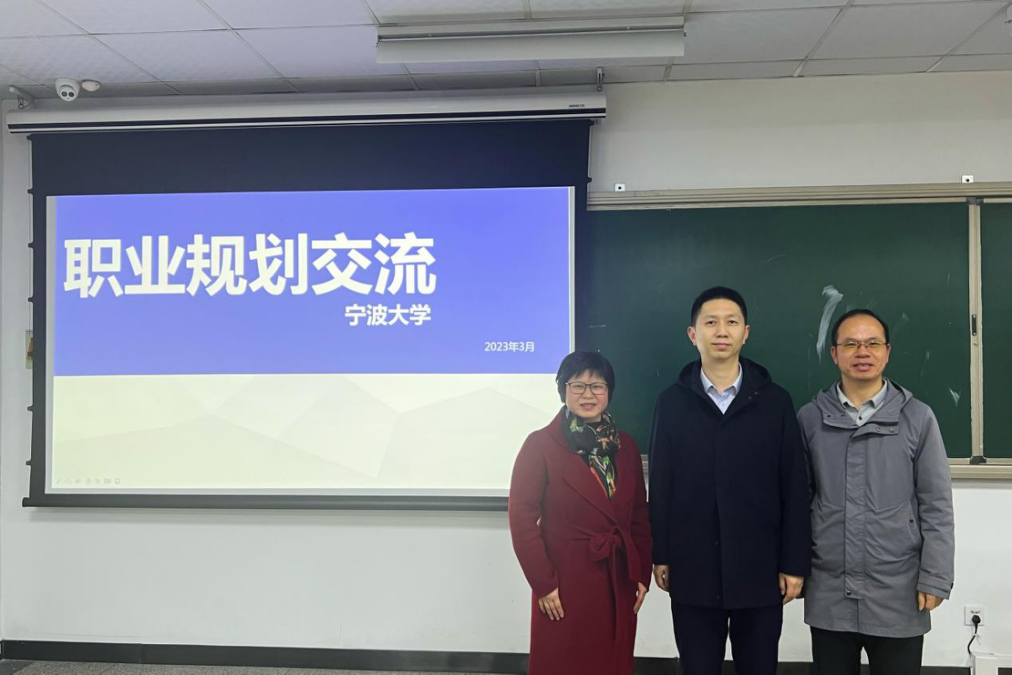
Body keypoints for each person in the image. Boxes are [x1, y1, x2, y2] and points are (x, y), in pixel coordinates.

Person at [649, 286, 811, 675]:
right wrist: (661, 553)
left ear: (745, 332)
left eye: (731, 322)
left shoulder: (775, 402)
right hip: (693, 567)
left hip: (761, 569)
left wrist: (794, 563)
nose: (721, 331)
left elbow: (794, 486)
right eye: (710, 322)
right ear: (693, 334)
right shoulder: (671, 403)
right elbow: (662, 483)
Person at [798, 308, 954, 675]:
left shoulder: (918, 417)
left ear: (887, 351)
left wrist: (935, 576)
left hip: (899, 590)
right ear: (834, 353)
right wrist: (793, 567)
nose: (862, 352)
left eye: (872, 343)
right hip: (830, 588)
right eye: (850, 344)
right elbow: (797, 503)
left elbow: (937, 506)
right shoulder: (810, 418)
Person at [509, 351, 652, 675]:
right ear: (563, 390)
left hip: (618, 576)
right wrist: (544, 583)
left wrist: (642, 571)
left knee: (611, 663)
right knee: (564, 662)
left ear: (609, 391)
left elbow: (638, 515)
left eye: (597, 386)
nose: (588, 395)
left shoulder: (625, 446)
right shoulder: (540, 445)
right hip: (565, 579)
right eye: (578, 386)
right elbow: (521, 520)